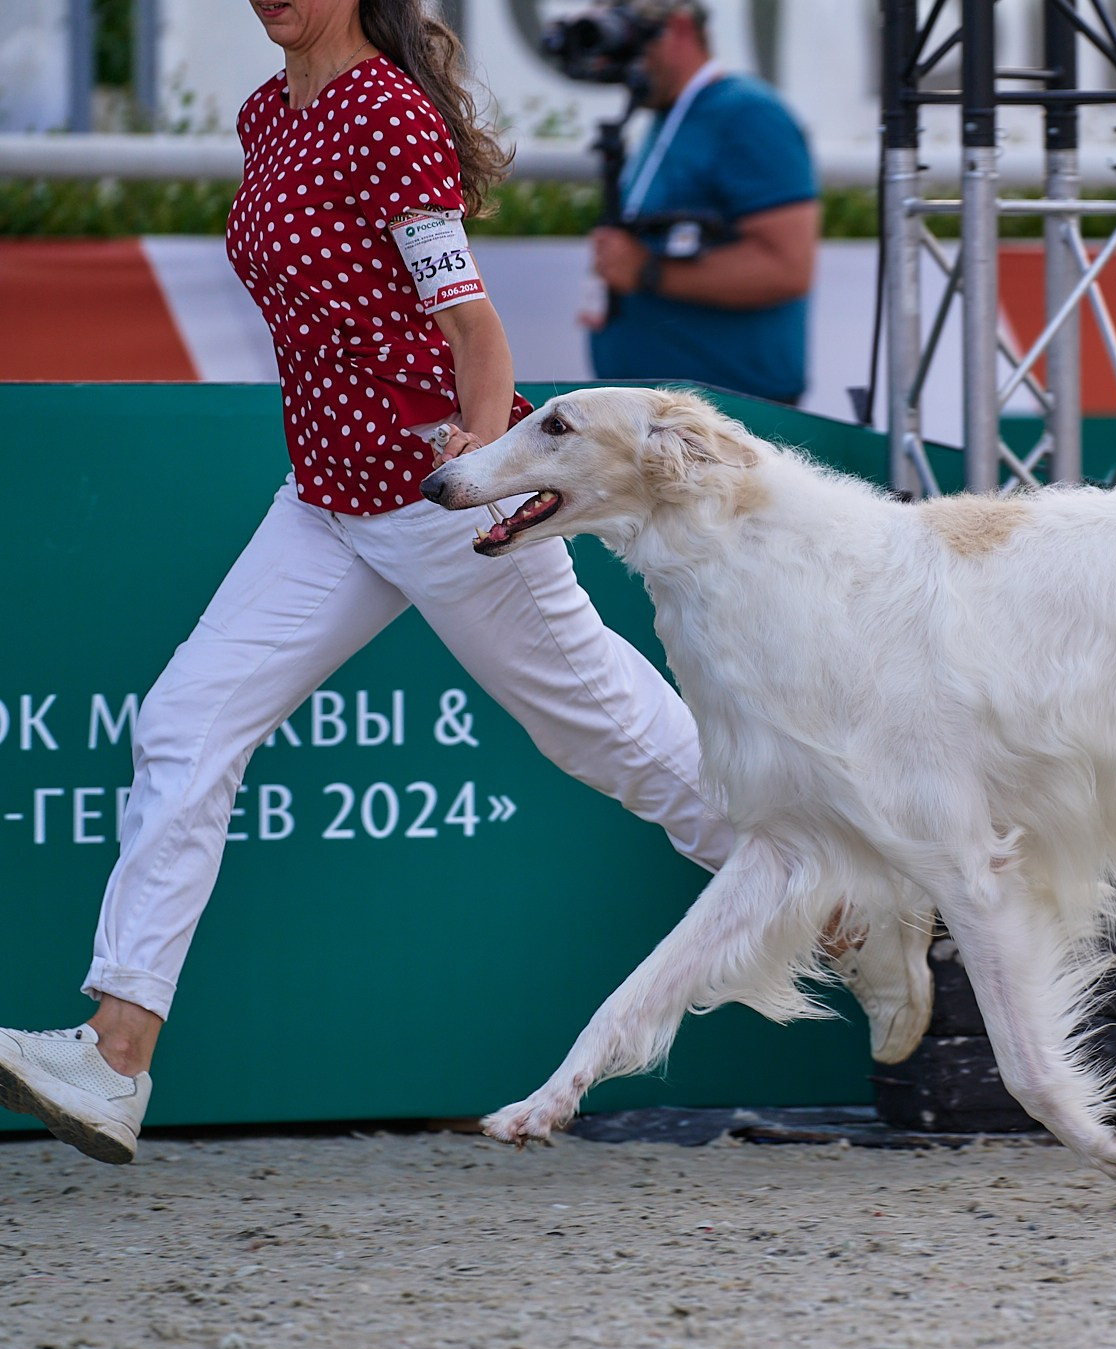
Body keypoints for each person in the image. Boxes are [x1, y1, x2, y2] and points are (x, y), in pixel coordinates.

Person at [0, 0, 923, 1166]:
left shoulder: (387, 114)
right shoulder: (265, 115)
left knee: (623, 744)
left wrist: (482, 475)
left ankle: (841, 905)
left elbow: (476, 335)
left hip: (442, 496)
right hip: (325, 499)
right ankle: (115, 1053)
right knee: (186, 724)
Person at [583, 0, 818, 406]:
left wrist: (648, 271)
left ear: (679, 27)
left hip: (730, 417)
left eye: (629, 33)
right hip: (670, 415)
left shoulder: (749, 115)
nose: (619, 57)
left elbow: (787, 268)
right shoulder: (671, 115)